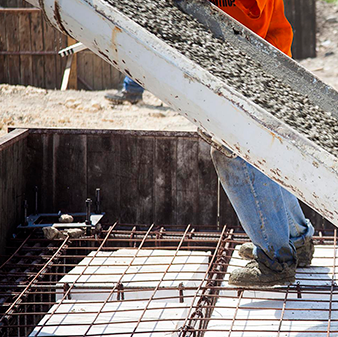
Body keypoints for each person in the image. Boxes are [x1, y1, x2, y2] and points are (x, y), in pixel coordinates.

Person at [113, 0, 315, 286]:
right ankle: (296, 241)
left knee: (236, 156)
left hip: (248, 69)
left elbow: (249, 13)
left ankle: (276, 259)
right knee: (269, 155)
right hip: (263, 61)